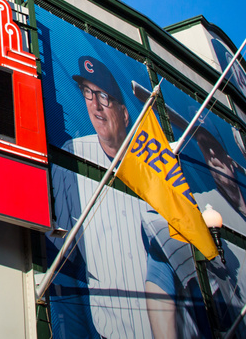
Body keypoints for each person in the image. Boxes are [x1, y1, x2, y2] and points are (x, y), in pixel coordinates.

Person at [51, 56, 159, 338]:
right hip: (105, 325)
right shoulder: (71, 154)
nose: (95, 105)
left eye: (103, 96)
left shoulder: (152, 172)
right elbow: (59, 240)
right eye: (88, 93)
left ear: (124, 114)